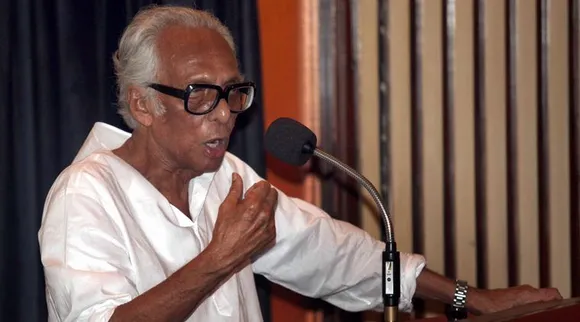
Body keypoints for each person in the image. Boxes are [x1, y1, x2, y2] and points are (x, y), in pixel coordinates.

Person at [38, 5, 561, 322]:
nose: (224, 115)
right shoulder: (85, 194)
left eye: (233, 93)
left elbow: (333, 254)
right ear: (142, 105)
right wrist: (217, 260)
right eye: (201, 95)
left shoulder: (226, 177)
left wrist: (470, 298)